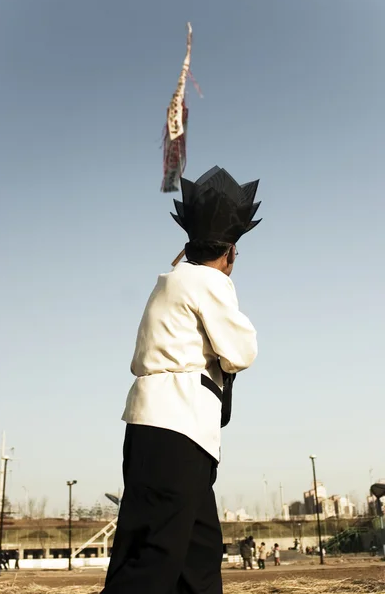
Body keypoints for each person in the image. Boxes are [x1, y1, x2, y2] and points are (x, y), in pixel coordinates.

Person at [101, 166, 262, 594]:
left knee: (198, 555)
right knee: (152, 558)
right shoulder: (209, 280)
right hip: (177, 429)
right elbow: (242, 351)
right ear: (229, 252)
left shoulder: (172, 282)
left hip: (163, 427)